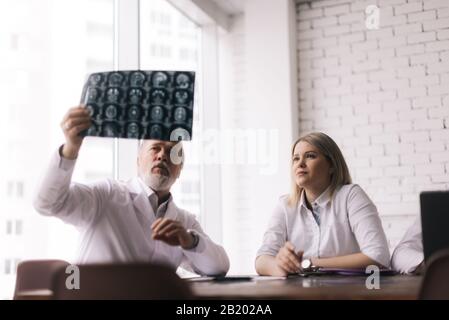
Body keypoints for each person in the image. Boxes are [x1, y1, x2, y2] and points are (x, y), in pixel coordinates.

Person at [33, 105, 229, 276]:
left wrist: (188, 240)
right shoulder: (106, 195)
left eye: (172, 153)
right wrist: (71, 147)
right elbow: (48, 203)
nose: (162, 156)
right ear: (138, 160)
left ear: (180, 170)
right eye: (155, 148)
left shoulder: (185, 221)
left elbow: (220, 267)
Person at [255, 132, 390, 276]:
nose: (300, 163)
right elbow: (261, 260)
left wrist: (310, 263)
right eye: (295, 158)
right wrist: (282, 265)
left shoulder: (351, 195)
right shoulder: (285, 205)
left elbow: (378, 256)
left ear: (331, 165)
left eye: (310, 156)